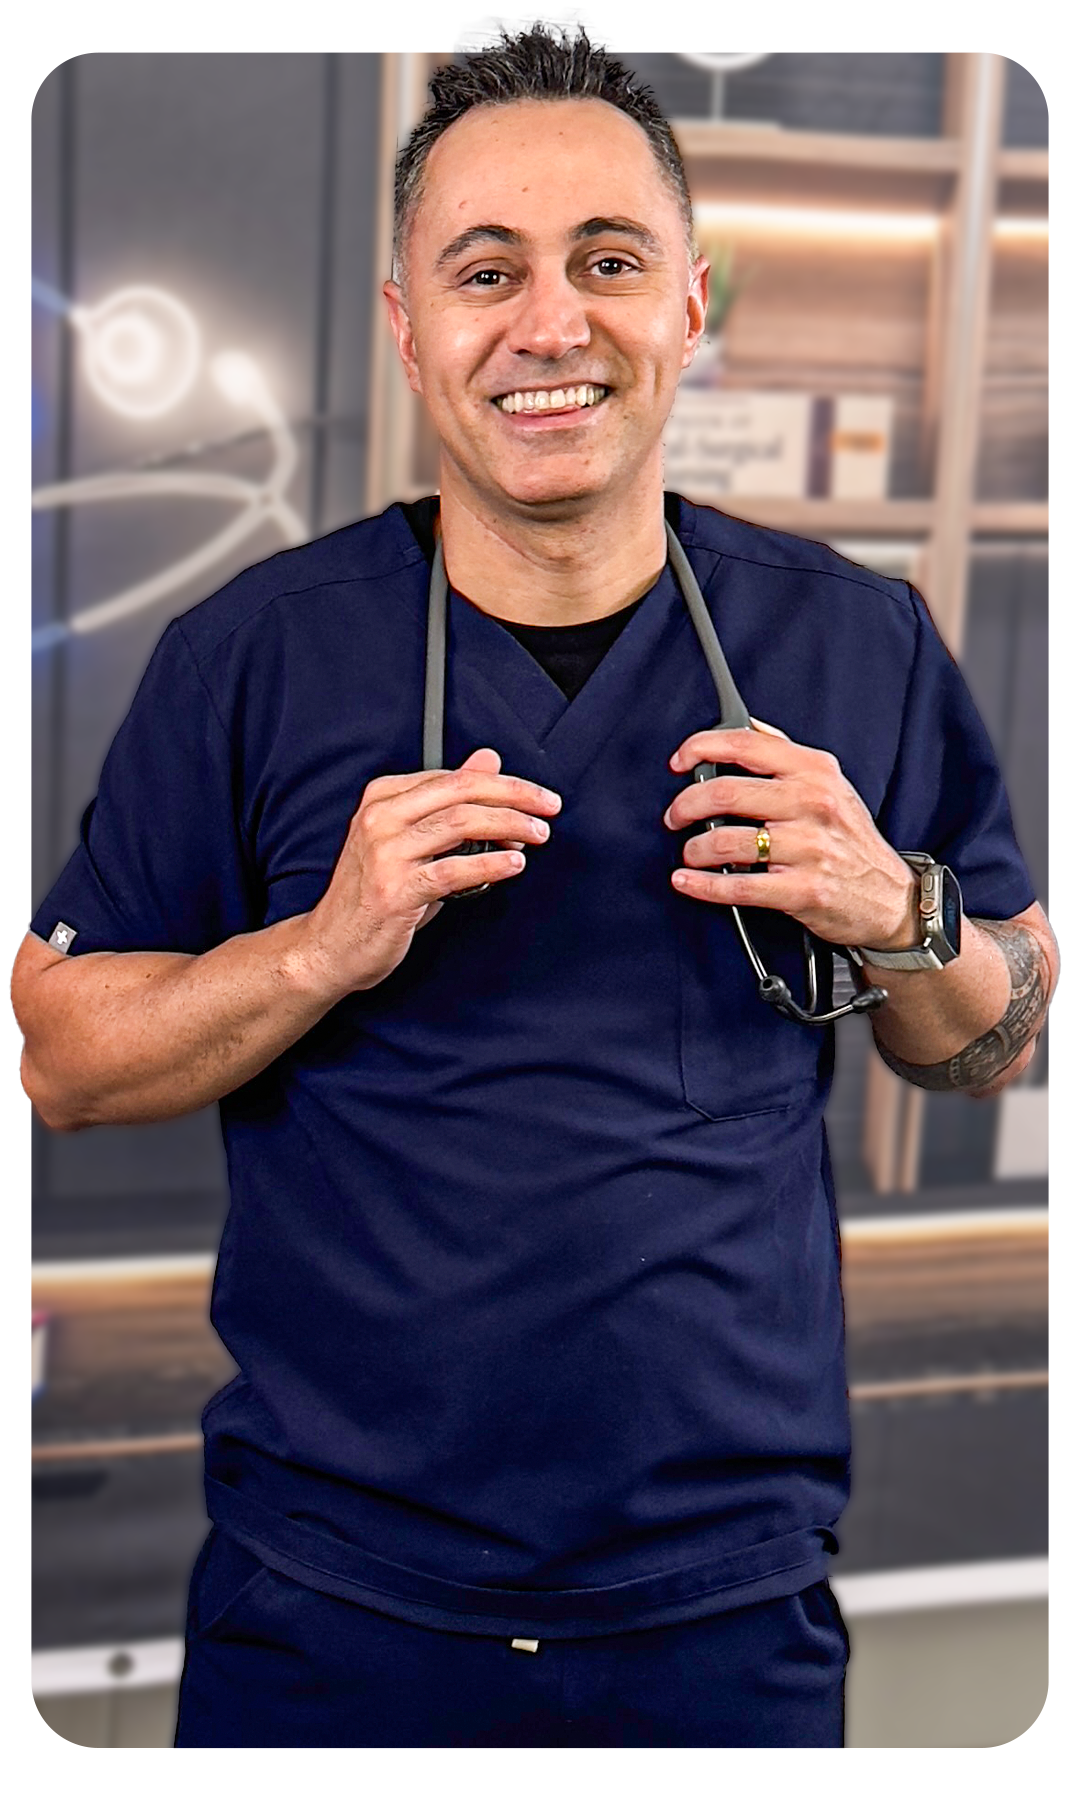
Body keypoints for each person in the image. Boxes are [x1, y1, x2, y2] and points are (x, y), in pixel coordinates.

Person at [14, 23, 1058, 1762]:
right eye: (486, 271)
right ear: (407, 323)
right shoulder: (253, 657)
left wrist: (900, 911)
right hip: (329, 1616)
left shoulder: (856, 642)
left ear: (693, 305)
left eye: (610, 261)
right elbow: (57, 1055)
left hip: (723, 1623)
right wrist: (315, 951)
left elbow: (989, 1040)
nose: (551, 324)